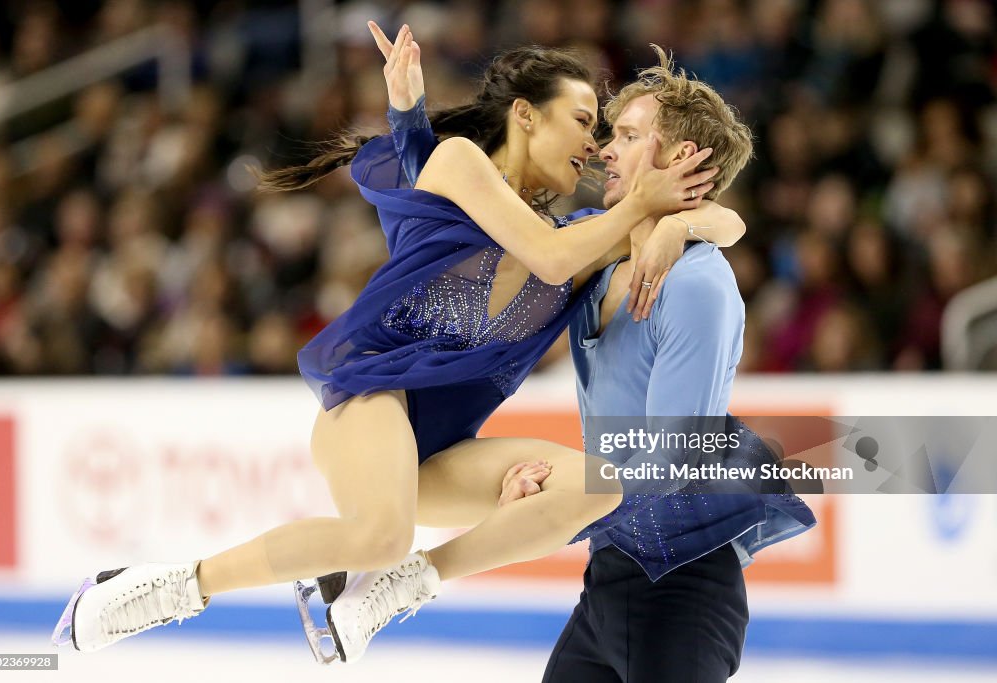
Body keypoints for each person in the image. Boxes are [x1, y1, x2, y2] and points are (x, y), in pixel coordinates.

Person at [53, 27, 744, 663]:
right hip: (371, 398)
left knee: (599, 483)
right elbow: (548, 255)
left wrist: (676, 227)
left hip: (439, 447)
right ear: (526, 115)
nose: (594, 147)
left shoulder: (587, 229)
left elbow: (728, 221)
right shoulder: (464, 164)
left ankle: (406, 585)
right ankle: (167, 586)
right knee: (381, 533)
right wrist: (643, 210)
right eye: (585, 121)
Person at [353, 28, 817, 680]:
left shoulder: (697, 285)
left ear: (681, 156)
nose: (604, 149)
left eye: (628, 135)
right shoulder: (591, 251)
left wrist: (545, 501)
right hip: (611, 579)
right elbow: (452, 217)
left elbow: (672, 462)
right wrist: (407, 116)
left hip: (679, 588)